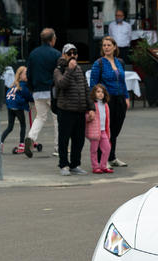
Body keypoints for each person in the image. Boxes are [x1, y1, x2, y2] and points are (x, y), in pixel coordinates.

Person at [54, 43, 95, 176]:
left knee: (79, 141)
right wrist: (70, 70)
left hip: (79, 111)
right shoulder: (58, 69)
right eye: (69, 53)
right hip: (65, 111)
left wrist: (91, 107)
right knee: (64, 139)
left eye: (74, 53)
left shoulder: (80, 69)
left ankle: (75, 164)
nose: (72, 56)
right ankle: (64, 164)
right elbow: (61, 84)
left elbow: (85, 89)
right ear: (64, 55)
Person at [90, 36, 130, 168]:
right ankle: (103, 159)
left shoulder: (120, 62)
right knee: (105, 130)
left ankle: (112, 157)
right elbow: (93, 85)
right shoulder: (99, 63)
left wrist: (126, 97)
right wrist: (94, 103)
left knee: (115, 129)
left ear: (114, 47)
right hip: (106, 100)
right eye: (104, 45)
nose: (106, 47)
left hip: (120, 99)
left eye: (109, 45)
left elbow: (123, 81)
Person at [25, 28, 61, 158]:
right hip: (53, 91)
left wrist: (31, 89)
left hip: (38, 91)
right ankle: (58, 147)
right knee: (58, 118)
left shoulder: (33, 53)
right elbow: (59, 74)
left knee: (40, 117)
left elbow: (29, 73)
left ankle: (31, 137)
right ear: (52, 39)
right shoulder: (56, 54)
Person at [1, 66, 34, 154]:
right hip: (18, 107)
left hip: (10, 107)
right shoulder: (22, 85)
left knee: (10, 127)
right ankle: (21, 144)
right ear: (20, 76)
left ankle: (0, 142)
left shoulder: (13, 85)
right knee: (23, 125)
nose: (27, 75)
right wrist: (32, 99)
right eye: (25, 74)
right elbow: (27, 94)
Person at [85, 84, 114, 174]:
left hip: (103, 130)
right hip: (94, 131)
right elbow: (86, 117)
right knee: (94, 150)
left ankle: (103, 166)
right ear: (94, 93)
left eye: (102, 92)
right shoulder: (92, 104)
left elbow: (107, 118)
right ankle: (95, 166)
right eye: (98, 92)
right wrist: (89, 117)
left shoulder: (105, 105)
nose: (101, 94)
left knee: (107, 148)